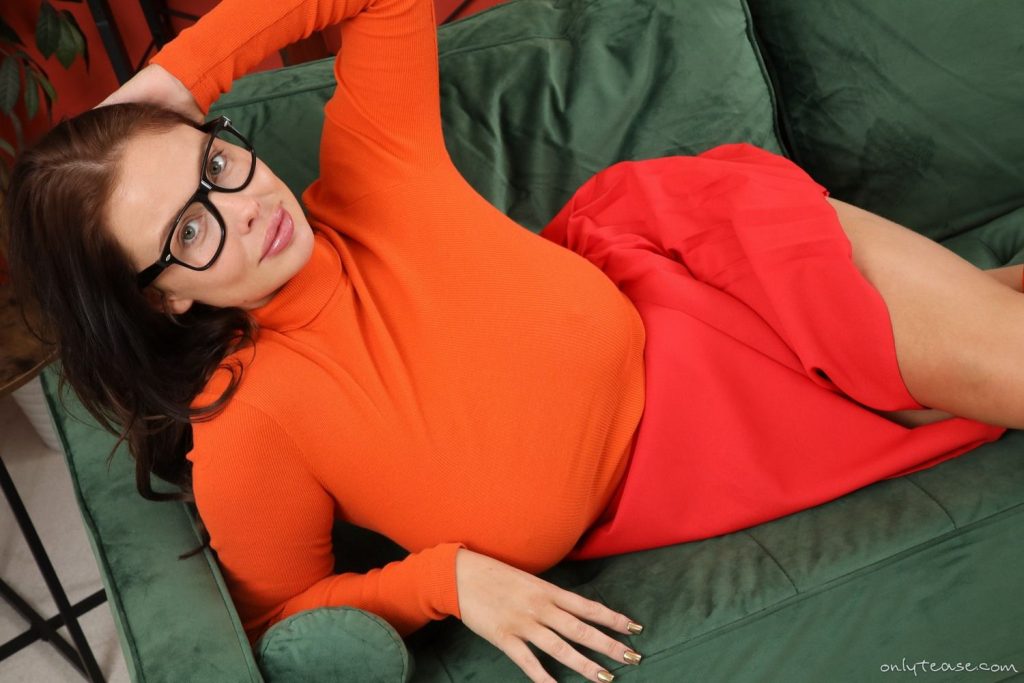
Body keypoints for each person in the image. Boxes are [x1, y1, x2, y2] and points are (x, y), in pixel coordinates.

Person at [2, 0, 1018, 680]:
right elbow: (278, 617)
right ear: (161, 299)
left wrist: (171, 84)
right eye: (187, 228)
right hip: (702, 453)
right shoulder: (249, 430)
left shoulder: (371, 173)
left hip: (717, 264)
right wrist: (442, 577)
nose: (242, 201)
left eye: (213, 160)